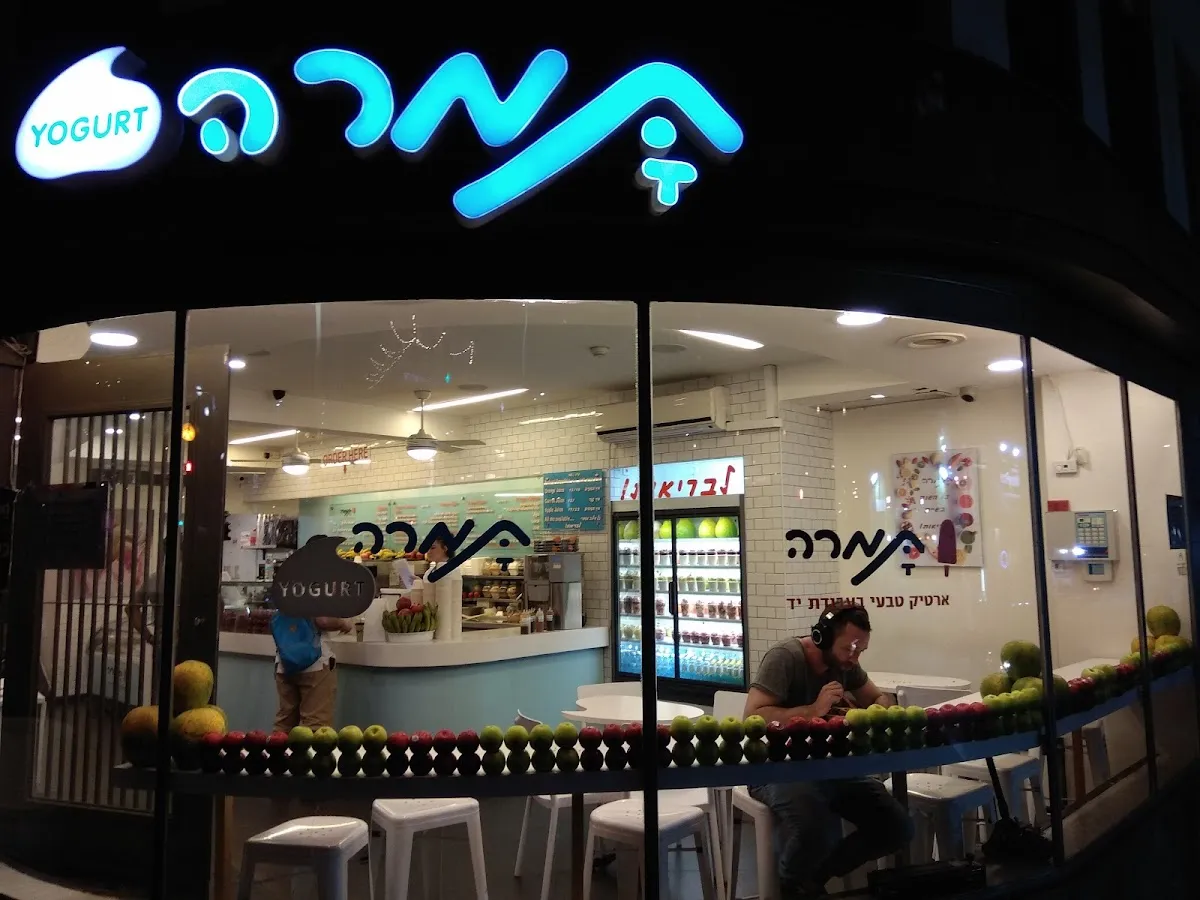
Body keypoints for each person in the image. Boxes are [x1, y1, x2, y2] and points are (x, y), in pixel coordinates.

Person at [744, 605, 914, 898]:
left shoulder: (846, 663)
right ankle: (790, 885)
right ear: (821, 637)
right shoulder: (784, 658)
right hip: (776, 766)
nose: (855, 657)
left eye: (860, 650)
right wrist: (813, 710)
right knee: (820, 829)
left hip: (828, 765)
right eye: (849, 648)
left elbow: (879, 698)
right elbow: (753, 716)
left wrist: (868, 711)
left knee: (896, 827)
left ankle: (813, 878)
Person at [273, 535, 353, 731]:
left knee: (285, 722)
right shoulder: (321, 581)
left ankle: (275, 751)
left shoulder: (291, 578)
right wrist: (344, 623)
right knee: (315, 726)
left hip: (285, 661)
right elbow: (323, 619)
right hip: (315, 662)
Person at [424, 536, 462, 641]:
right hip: (429, 623)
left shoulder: (453, 571)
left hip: (446, 624)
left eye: (432, 548)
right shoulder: (429, 571)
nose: (428, 552)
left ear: (445, 548)